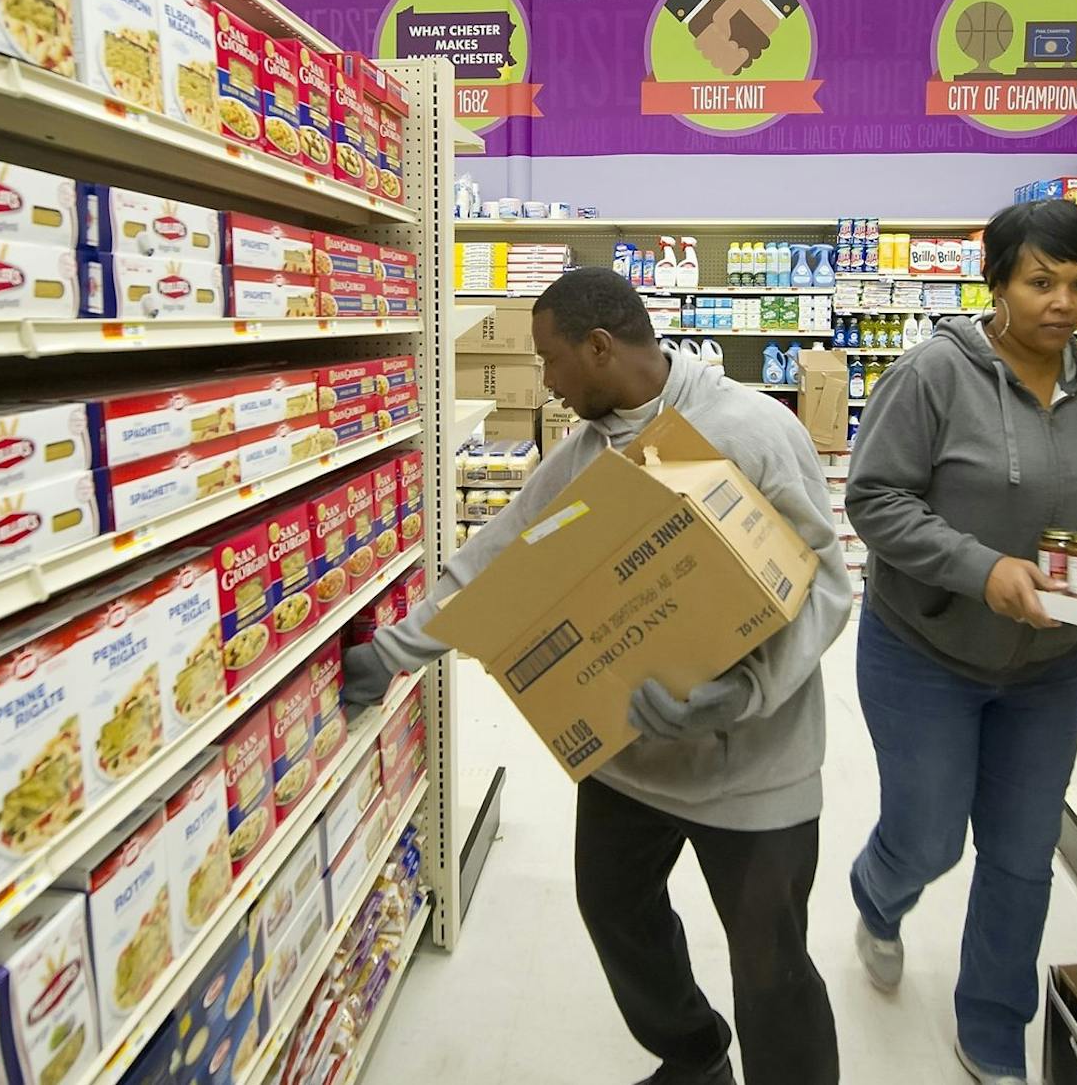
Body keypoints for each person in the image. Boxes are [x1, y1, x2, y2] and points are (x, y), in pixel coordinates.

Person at [341, 266, 852, 1085]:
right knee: (614, 910)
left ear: (600, 347)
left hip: (753, 766)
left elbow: (826, 584)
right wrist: (392, 653)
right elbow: (497, 559)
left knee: (772, 966)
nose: (543, 381)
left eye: (549, 361)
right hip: (632, 759)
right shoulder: (585, 454)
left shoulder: (751, 429)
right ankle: (694, 1057)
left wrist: (744, 693)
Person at [843, 199, 1077, 1084]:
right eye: (1041, 281)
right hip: (923, 649)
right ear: (998, 281)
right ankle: (878, 892)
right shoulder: (933, 374)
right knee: (931, 838)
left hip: (1047, 667)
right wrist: (983, 569)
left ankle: (995, 1020)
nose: (1064, 303)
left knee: (1020, 852)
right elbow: (875, 501)